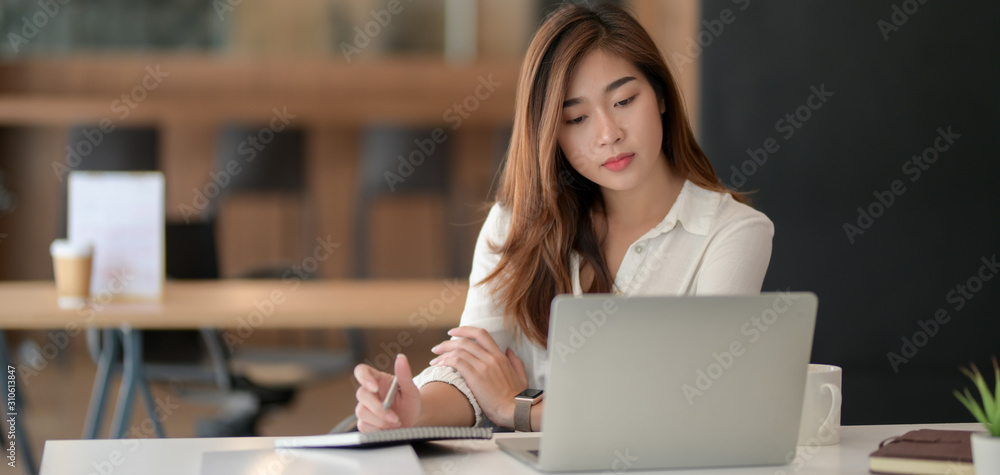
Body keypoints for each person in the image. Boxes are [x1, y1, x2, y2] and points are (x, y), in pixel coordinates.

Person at [352, 2, 774, 433]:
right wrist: (414, 408)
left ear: (661, 95)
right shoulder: (517, 222)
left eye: (625, 100)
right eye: (576, 118)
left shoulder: (732, 233)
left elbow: (697, 401)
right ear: (550, 132)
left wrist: (520, 407)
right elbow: (473, 368)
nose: (608, 134)